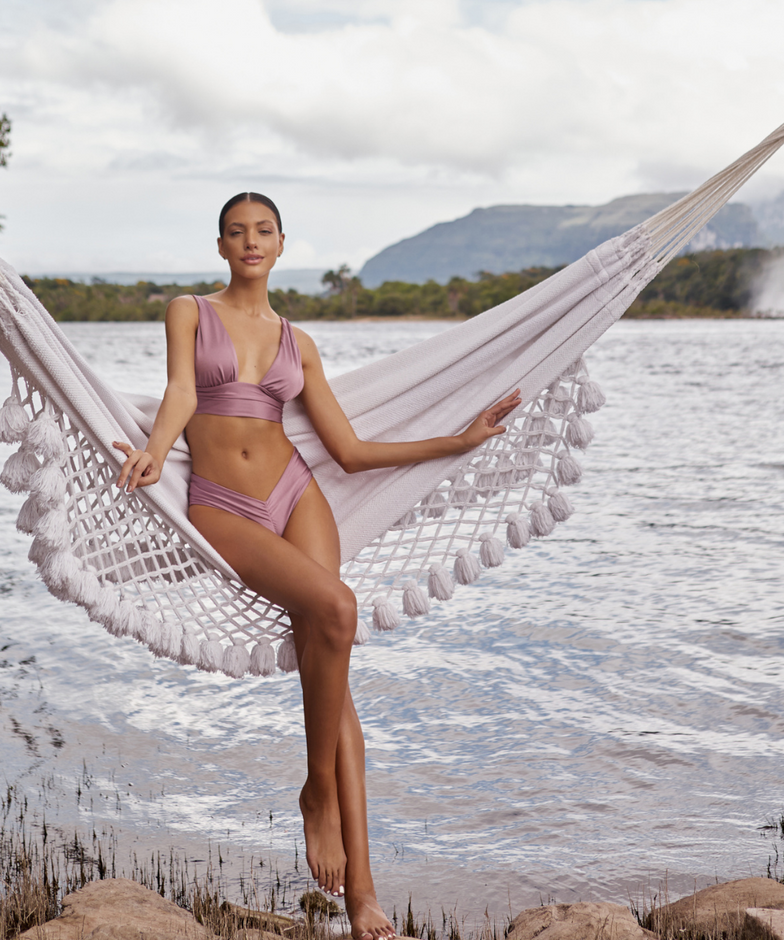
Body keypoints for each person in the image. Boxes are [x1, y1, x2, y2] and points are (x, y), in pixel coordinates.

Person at [112, 193, 520, 940]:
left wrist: (456, 442)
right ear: (220, 244)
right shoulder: (188, 311)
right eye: (237, 231)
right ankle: (315, 791)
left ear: (280, 242)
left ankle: (363, 896)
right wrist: (151, 448)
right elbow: (178, 393)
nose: (250, 241)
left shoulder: (299, 342)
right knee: (336, 609)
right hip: (222, 506)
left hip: (297, 492)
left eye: (262, 230)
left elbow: (351, 451)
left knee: (337, 686)